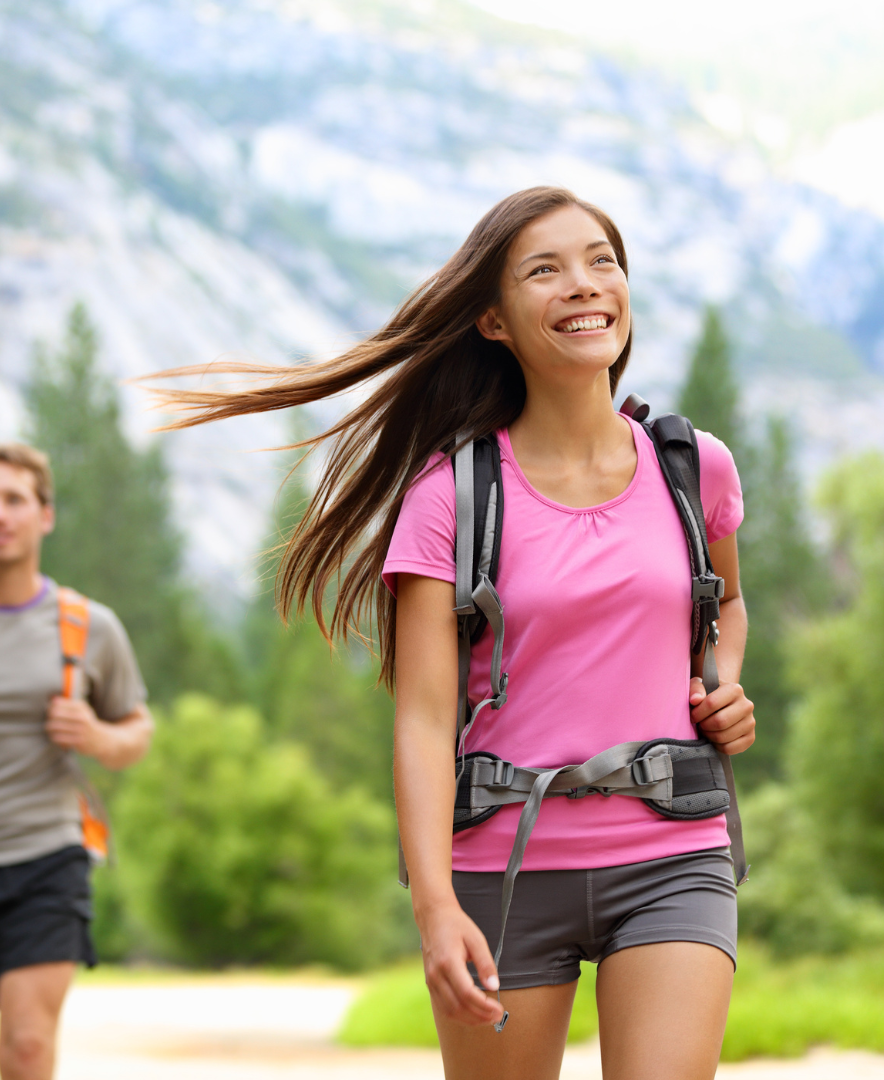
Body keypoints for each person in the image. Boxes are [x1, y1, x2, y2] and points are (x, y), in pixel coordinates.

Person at [150, 186, 755, 1080]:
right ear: (493, 320)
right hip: (502, 873)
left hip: (673, 853)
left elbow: (726, 603)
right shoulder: (451, 498)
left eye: (602, 261)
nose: (585, 285)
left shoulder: (690, 465)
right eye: (544, 270)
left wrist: (720, 682)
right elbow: (426, 721)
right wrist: (434, 907)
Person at [0, 444, 152, 1080]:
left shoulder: (87, 627)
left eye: (13, 499)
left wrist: (98, 737)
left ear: (44, 515)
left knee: (25, 1048)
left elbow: (138, 729)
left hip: (44, 860)